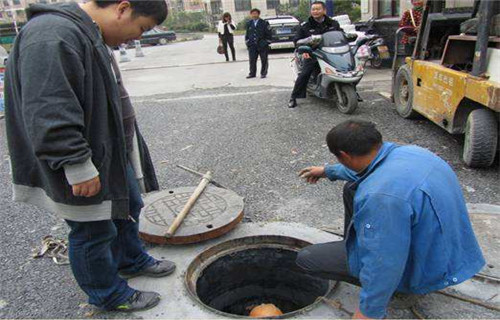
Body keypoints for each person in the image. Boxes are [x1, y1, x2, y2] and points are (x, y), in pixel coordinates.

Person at [4, 0, 175, 313]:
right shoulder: (53, 35)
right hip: (80, 160)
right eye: (141, 29)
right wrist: (77, 164)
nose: (135, 39)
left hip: (106, 152)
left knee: (128, 207)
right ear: (123, 9)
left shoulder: (86, 32)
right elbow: (48, 108)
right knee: (93, 230)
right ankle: (107, 294)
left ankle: (131, 259)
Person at [297, 120, 485, 319]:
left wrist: (369, 311)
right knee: (351, 188)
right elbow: (366, 168)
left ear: (344, 155)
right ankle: (359, 250)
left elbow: (384, 261)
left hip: (424, 269)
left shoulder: (381, 197)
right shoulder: (412, 153)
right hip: (447, 252)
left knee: (307, 259)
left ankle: (401, 289)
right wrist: (328, 171)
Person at [288, 1, 342, 108]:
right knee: (305, 73)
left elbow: (341, 35)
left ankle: (351, 90)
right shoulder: (305, 25)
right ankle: (293, 97)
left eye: (318, 9)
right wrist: (304, 51)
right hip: (312, 53)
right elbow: (297, 41)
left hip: (332, 52)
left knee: (347, 69)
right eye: (313, 9)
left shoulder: (333, 23)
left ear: (324, 10)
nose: (315, 11)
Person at [245, 8, 272, 79]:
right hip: (252, 45)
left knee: (264, 59)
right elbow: (247, 34)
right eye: (252, 13)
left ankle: (263, 73)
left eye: (255, 13)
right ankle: (252, 73)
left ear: (258, 14)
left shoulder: (264, 23)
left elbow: (269, 34)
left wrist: (266, 42)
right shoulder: (249, 23)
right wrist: (247, 41)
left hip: (262, 44)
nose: (254, 15)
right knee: (252, 60)